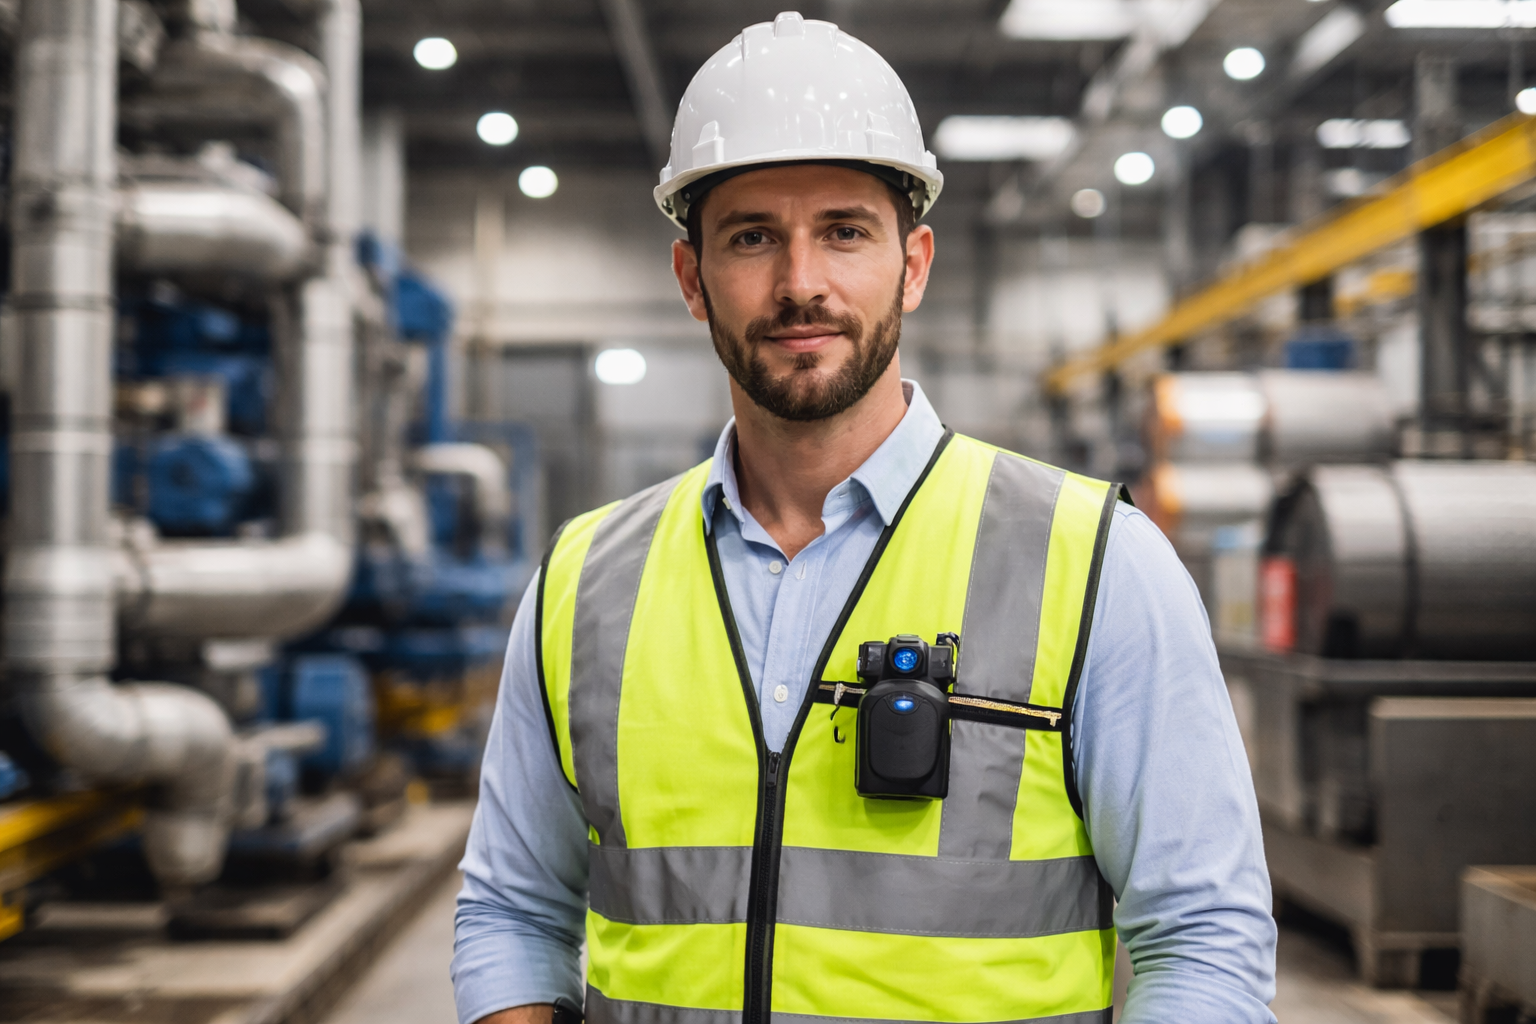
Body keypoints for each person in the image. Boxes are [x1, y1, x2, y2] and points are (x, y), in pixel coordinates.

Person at [453, 12, 1277, 1024]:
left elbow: (1202, 934)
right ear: (691, 280)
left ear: (914, 263)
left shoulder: (1096, 563)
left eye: (844, 230)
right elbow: (513, 910)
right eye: (752, 237)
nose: (802, 282)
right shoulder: (585, 581)